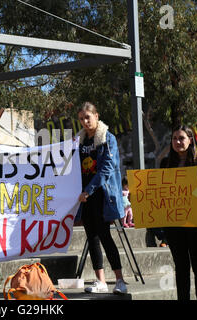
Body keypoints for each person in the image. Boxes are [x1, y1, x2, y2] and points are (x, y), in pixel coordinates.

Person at [76, 101, 127, 294]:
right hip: (85, 197)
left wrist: (89, 190)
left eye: (87, 117)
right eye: (81, 119)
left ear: (96, 116)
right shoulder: (78, 141)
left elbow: (107, 168)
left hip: (102, 195)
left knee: (105, 236)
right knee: (92, 238)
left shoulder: (108, 138)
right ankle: (101, 281)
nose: (85, 121)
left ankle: (120, 281)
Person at [161, 125, 197, 300]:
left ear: (190, 140)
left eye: (182, 138)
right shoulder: (165, 163)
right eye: (174, 138)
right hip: (174, 224)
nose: (177, 142)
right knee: (181, 266)